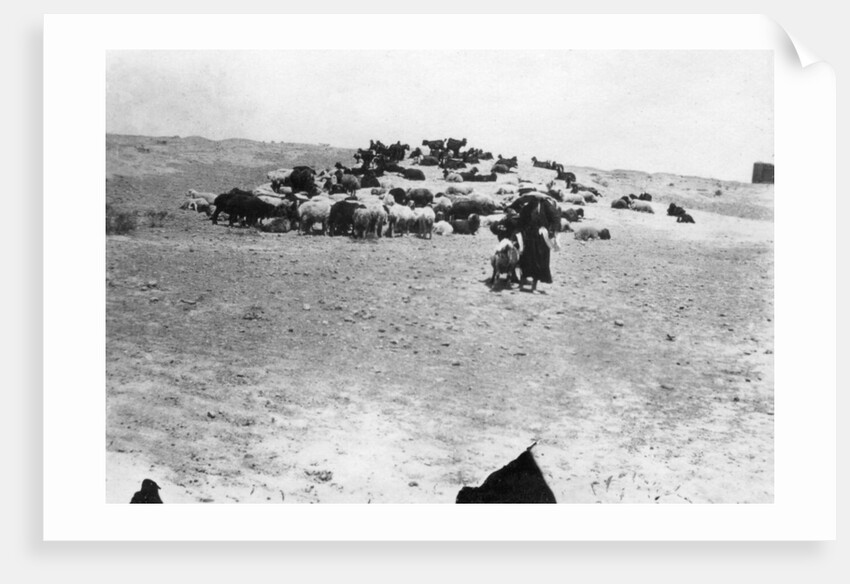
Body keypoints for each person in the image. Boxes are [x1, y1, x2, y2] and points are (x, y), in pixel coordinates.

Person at [511, 195, 561, 292]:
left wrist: (551, 231)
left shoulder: (546, 205)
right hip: (529, 237)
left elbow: (555, 218)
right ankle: (521, 284)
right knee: (525, 260)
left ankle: (534, 286)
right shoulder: (528, 206)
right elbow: (522, 220)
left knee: (539, 261)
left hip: (542, 238)